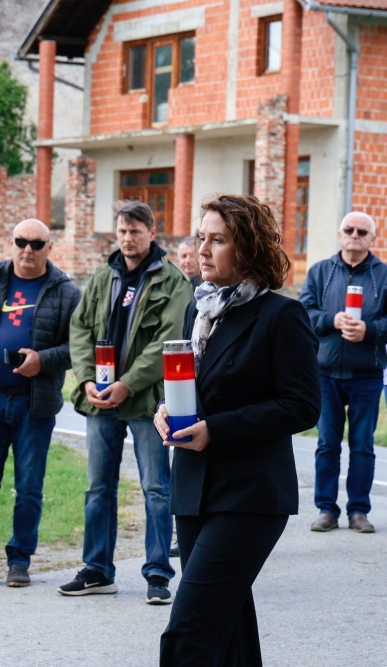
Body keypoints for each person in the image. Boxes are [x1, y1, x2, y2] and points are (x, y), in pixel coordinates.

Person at [154, 194, 321, 665]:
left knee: (187, 635)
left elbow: (302, 406)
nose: (203, 249)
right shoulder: (198, 308)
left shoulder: (281, 316)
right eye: (201, 237)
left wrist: (217, 430)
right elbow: (195, 386)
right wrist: (167, 410)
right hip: (192, 489)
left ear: (246, 248)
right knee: (227, 633)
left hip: (248, 496)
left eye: (218, 240)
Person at [60, 200, 190, 604]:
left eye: (136, 231)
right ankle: (98, 569)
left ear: (153, 233)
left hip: (146, 403)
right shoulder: (103, 276)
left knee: (156, 488)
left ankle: (157, 574)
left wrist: (128, 384)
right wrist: (85, 380)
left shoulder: (173, 281)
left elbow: (166, 341)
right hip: (100, 400)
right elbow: (80, 328)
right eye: (122, 231)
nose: (128, 239)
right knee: (99, 487)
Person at [0, 220, 80, 589]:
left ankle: (20, 561)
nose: (28, 249)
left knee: (28, 487)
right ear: (12, 243)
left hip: (33, 404)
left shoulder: (65, 292)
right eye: (21, 242)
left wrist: (42, 360)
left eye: (36, 244)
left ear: (49, 247)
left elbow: (80, 345)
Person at [299, 211, 386, 534]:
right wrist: (332, 320)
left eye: (362, 231)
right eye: (349, 229)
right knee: (327, 444)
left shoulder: (383, 275)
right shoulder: (320, 272)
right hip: (325, 372)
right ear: (339, 234)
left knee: (362, 444)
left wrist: (371, 329)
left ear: (372, 239)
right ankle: (326, 509)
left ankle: (359, 511)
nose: (355, 235)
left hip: (367, 373)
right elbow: (304, 313)